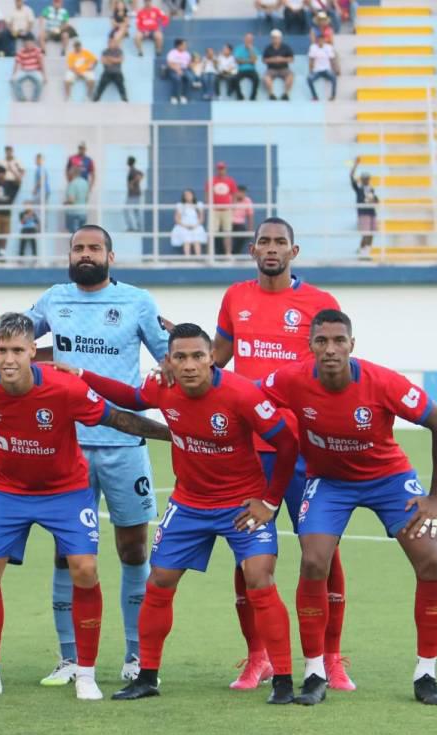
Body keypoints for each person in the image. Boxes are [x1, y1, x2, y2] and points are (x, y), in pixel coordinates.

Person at [67, 323, 299, 704]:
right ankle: (147, 677)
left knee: (259, 577)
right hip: (190, 503)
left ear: (211, 358)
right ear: (169, 362)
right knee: (158, 581)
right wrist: (82, 375)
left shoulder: (241, 393)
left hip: (242, 503)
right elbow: (130, 397)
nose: (189, 365)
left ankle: (284, 681)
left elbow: (286, 443)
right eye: (180, 357)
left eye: (197, 356)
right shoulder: (164, 388)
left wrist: (270, 502)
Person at [0, 312, 170, 700]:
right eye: (0, 350)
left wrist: (174, 435)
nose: (7, 359)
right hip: (8, 492)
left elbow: (117, 418)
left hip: (65, 491)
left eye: (17, 350)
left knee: (84, 569)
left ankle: (85, 674)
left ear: (32, 352)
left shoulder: (63, 388)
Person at [259, 309, 437, 706]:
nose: (330, 349)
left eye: (338, 341)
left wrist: (435, 497)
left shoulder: (383, 381)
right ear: (310, 346)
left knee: (431, 560)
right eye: (321, 341)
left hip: (390, 479)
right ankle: (314, 673)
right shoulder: (291, 379)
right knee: (314, 562)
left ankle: (426, 675)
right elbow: (243, 395)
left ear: (352, 345)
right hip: (329, 483)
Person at [26, 225, 172, 685]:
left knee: (132, 548)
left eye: (94, 248)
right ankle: (70, 659)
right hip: (66, 446)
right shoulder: (53, 299)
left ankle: (134, 655)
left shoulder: (137, 301)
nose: (85, 254)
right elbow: (16, 340)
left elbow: (171, 358)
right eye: (78, 248)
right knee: (67, 553)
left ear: (111, 255)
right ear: (68, 254)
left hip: (123, 443)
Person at [211, 217, 351, 691]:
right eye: (264, 242)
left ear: (295, 250)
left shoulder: (319, 304)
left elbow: (336, 369)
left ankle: (331, 657)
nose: (272, 249)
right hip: (250, 451)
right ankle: (259, 658)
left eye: (280, 242)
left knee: (322, 554)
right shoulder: (235, 298)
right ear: (252, 250)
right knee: (248, 556)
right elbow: (218, 360)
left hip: (306, 450)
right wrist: (180, 356)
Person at [208, 161, 237, 257]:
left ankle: (228, 253)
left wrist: (233, 207)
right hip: (214, 210)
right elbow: (207, 194)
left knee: (227, 232)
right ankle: (210, 253)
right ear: (217, 170)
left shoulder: (230, 181)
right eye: (219, 169)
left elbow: (234, 194)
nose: (221, 171)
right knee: (212, 232)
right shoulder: (211, 181)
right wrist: (210, 206)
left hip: (226, 210)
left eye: (222, 168)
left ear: (225, 169)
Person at [350, 158, 378, 258]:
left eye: (367, 178)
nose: (366, 180)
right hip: (363, 213)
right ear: (361, 179)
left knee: (371, 234)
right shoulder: (359, 189)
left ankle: (367, 252)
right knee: (365, 234)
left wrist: (374, 201)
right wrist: (355, 166)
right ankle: (362, 253)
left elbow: (376, 200)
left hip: (372, 213)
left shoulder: (371, 189)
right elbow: (352, 178)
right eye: (364, 178)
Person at [171, 189, 205, 256]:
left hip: (196, 225)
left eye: (189, 194)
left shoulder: (198, 205)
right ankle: (187, 257)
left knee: (197, 240)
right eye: (186, 195)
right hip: (183, 225)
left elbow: (202, 218)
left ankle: (198, 257)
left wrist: (195, 225)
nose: (188, 196)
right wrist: (185, 226)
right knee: (186, 240)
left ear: (193, 195)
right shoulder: (180, 205)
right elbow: (177, 219)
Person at [11, 37, 46, 102]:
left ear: (33, 44)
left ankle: (35, 99)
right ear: (24, 44)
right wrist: (13, 75)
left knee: (40, 81)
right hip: (24, 71)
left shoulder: (37, 50)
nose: (28, 45)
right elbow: (16, 64)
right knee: (14, 80)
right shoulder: (20, 51)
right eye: (27, 44)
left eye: (30, 44)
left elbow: (41, 63)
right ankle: (22, 98)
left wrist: (44, 76)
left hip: (35, 70)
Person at [262, 29, 294, 100]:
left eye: (277, 38)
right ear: (271, 39)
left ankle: (286, 94)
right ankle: (271, 94)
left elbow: (291, 59)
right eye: (274, 38)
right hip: (271, 69)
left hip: (284, 68)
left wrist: (282, 59)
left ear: (280, 38)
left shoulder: (286, 47)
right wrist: (273, 60)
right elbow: (264, 60)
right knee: (266, 77)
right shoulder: (268, 48)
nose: (275, 40)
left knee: (290, 76)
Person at [94, 36, 129, 101]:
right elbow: (103, 61)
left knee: (121, 86)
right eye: (110, 43)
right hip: (107, 72)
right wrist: (114, 60)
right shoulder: (105, 51)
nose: (111, 44)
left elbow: (120, 60)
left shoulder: (119, 51)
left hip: (117, 72)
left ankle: (124, 99)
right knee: (101, 86)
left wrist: (110, 59)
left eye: (113, 43)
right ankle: (96, 99)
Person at [307, 31, 338, 101]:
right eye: (319, 40)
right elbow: (311, 60)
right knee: (309, 79)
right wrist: (310, 70)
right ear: (317, 40)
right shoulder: (313, 47)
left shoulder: (328, 47)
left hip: (326, 69)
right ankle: (315, 96)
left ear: (324, 40)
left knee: (334, 78)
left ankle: (333, 96)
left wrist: (334, 69)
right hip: (317, 70)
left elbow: (332, 60)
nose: (320, 41)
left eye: (322, 40)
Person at [234, 33, 260, 100]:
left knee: (256, 79)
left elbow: (254, 61)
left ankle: (253, 97)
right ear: (244, 39)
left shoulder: (254, 49)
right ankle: (240, 96)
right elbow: (238, 61)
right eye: (247, 39)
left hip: (251, 70)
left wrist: (250, 50)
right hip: (241, 69)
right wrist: (249, 61)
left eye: (250, 39)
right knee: (235, 79)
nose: (249, 41)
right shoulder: (238, 48)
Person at [165, 38, 191, 104]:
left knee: (189, 78)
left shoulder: (187, 54)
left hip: (184, 69)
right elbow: (169, 64)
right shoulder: (172, 53)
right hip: (173, 69)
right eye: (184, 45)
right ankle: (174, 97)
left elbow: (188, 64)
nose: (186, 46)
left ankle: (183, 96)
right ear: (178, 46)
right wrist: (177, 69)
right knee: (177, 79)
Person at [229, 185, 255, 253]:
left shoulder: (247, 200)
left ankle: (234, 253)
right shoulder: (230, 198)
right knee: (221, 235)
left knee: (242, 235)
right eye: (240, 192)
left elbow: (250, 215)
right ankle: (224, 254)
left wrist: (250, 228)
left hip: (240, 224)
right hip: (229, 222)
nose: (242, 194)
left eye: (243, 192)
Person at [63, 167, 89, 233]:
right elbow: (86, 198)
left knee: (74, 236)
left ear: (72, 173)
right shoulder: (85, 183)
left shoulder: (72, 184)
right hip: (83, 212)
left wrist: (65, 203)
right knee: (81, 234)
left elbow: (72, 200)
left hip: (73, 214)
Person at [125, 156, 143, 232]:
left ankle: (131, 227)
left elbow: (141, 175)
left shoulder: (133, 171)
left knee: (126, 210)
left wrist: (132, 183)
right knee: (136, 211)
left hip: (133, 194)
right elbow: (141, 174)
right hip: (135, 194)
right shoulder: (132, 170)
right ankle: (138, 227)